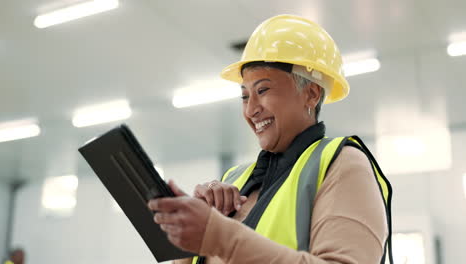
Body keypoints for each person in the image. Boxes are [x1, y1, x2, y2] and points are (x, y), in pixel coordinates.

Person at [148, 14, 393, 264]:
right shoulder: (233, 179)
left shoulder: (341, 165)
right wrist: (188, 243)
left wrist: (219, 235)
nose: (251, 109)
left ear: (311, 93)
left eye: (263, 90)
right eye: (245, 96)